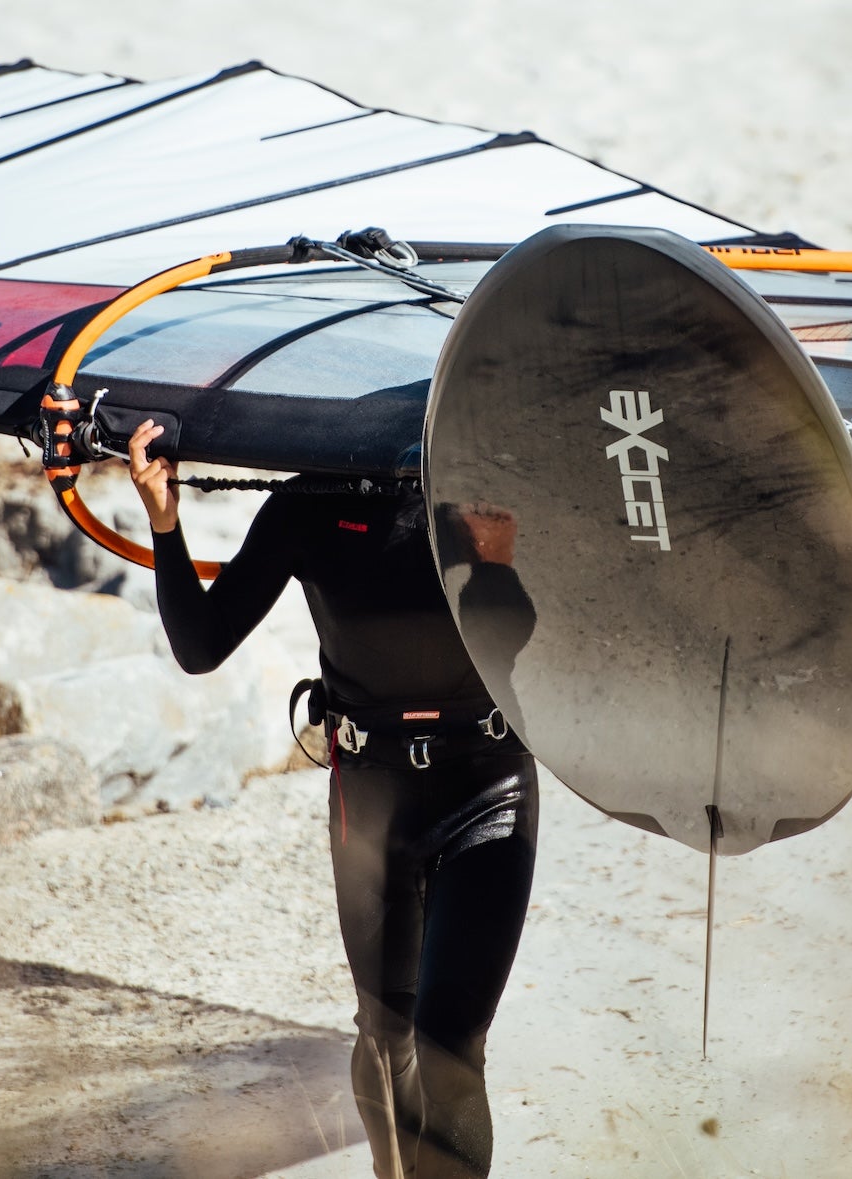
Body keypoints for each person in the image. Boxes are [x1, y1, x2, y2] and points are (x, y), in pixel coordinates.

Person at [127, 421, 536, 1179]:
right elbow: (200, 644)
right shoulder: (308, 505)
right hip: (370, 798)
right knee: (387, 1037)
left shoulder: (490, 485)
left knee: (451, 1045)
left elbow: (544, 644)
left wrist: (502, 565)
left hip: (488, 783)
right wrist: (164, 522)